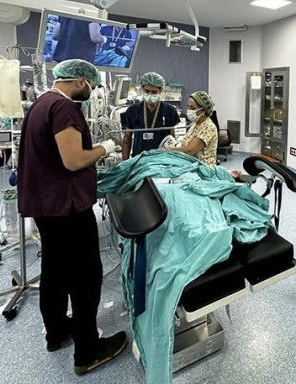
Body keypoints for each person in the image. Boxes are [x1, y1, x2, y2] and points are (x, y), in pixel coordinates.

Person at [17, 59, 127, 375]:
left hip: (45, 205)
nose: (92, 92)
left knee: (55, 271)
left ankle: (57, 333)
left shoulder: (41, 104)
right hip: (66, 208)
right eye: (92, 86)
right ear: (80, 81)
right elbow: (74, 160)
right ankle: (87, 351)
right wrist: (105, 147)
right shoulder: (64, 108)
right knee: (85, 276)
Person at [120, 72, 180, 159]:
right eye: (147, 91)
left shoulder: (169, 110)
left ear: (160, 90)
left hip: (161, 159)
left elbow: (172, 138)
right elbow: (127, 138)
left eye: (154, 92)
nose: (150, 94)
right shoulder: (133, 110)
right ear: (142, 89)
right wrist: (125, 162)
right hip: (139, 158)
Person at [164, 90, 218, 166]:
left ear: (203, 110)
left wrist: (167, 151)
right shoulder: (196, 123)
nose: (188, 110)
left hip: (202, 168)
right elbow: (187, 143)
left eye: (192, 108)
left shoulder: (208, 127)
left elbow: (190, 150)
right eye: (188, 107)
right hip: (190, 163)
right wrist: (176, 146)